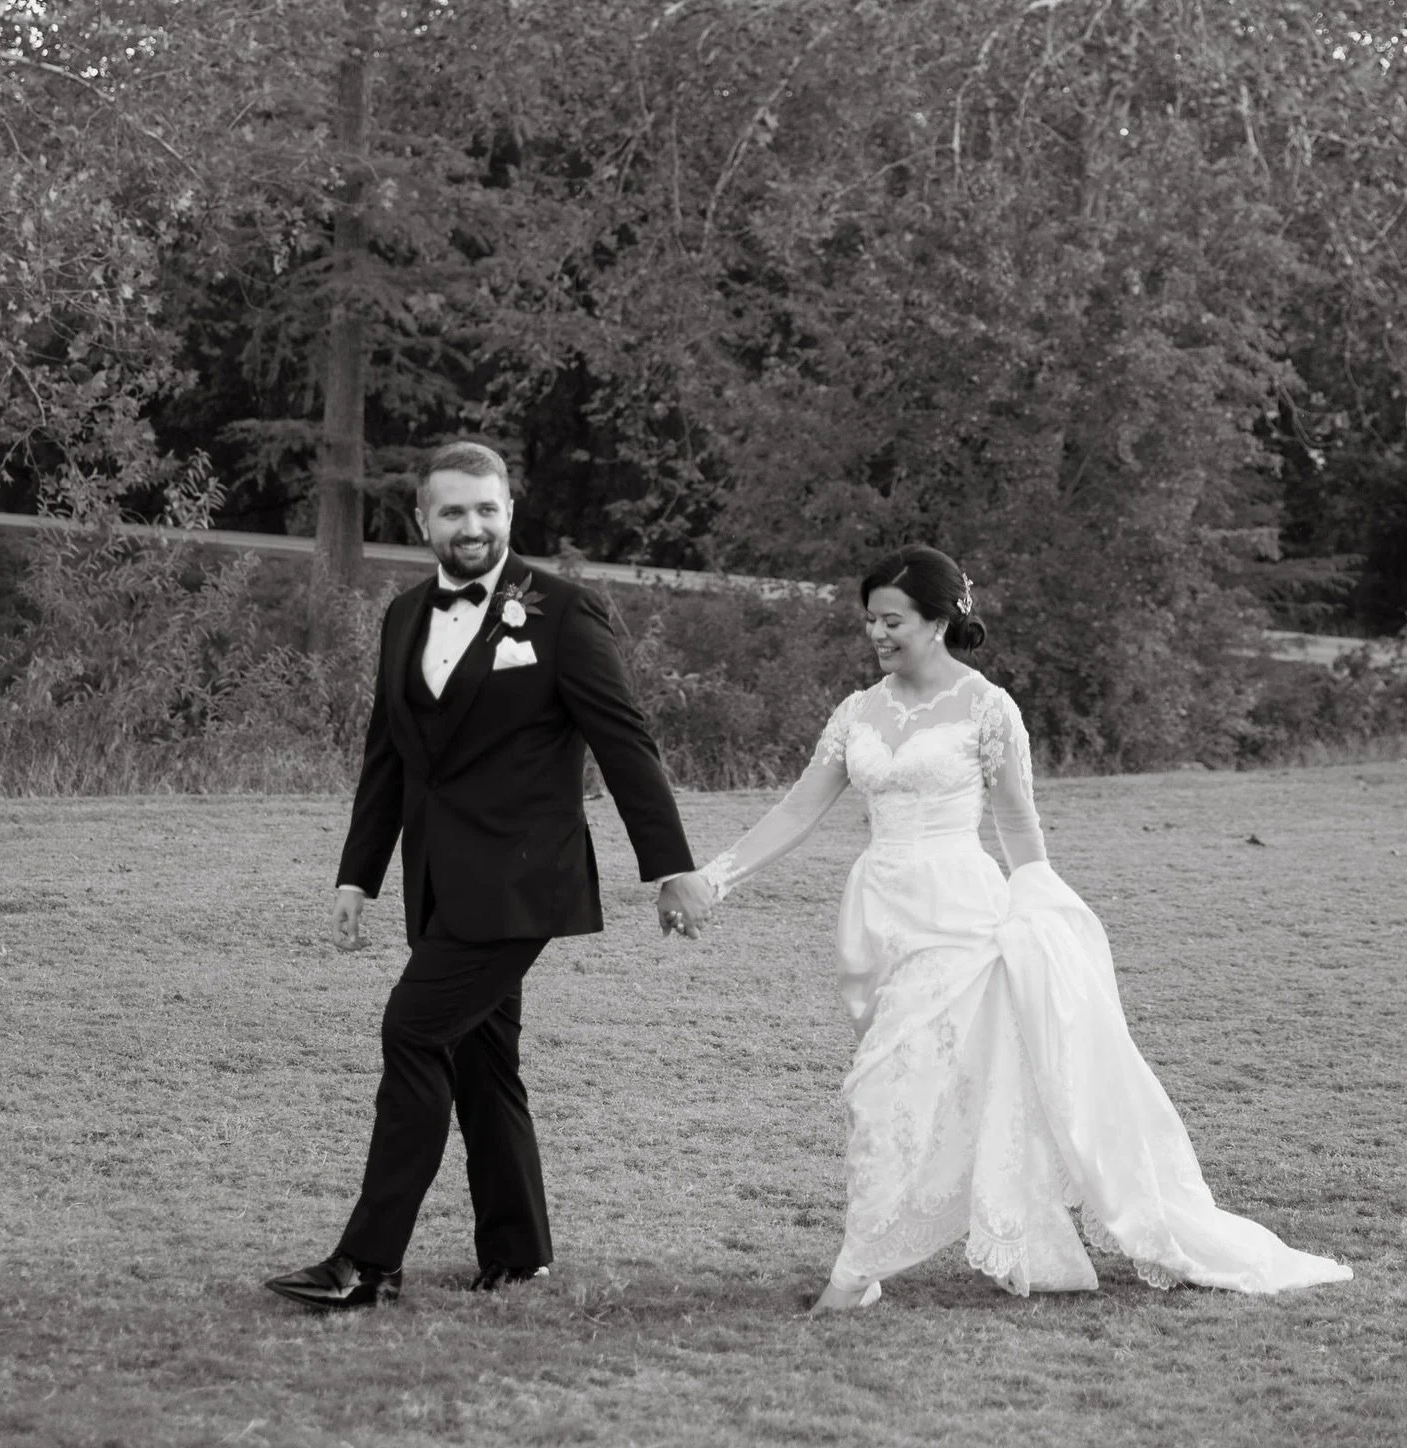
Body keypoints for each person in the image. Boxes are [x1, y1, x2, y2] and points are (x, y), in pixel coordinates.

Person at [693, 545, 1352, 1313]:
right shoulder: (857, 713)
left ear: (939, 620)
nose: (877, 633)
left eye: (893, 620)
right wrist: (715, 877)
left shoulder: (986, 709)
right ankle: (949, 1239)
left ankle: (856, 1270)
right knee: (898, 1085)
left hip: (961, 917)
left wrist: (1043, 920)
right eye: (870, 620)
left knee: (885, 1089)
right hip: (879, 916)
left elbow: (1018, 825)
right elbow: (799, 808)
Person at [266, 441, 715, 1310]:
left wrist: (670, 867)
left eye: (486, 510)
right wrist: (357, 873)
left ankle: (368, 1261)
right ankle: (518, 1253)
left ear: (509, 511)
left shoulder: (563, 611)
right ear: (424, 521)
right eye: (453, 512)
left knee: (412, 1030)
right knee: (481, 1061)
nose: (471, 527)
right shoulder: (403, 615)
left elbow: (625, 744)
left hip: (521, 882)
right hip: (438, 880)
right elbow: (388, 758)